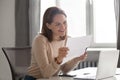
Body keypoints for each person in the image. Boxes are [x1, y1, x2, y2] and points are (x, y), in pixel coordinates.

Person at [24, 6, 87, 80]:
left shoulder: (67, 40)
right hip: (35, 78)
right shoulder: (40, 40)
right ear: (48, 26)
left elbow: (65, 69)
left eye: (64, 22)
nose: (63, 27)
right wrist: (59, 59)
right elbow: (45, 73)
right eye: (58, 24)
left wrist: (77, 59)